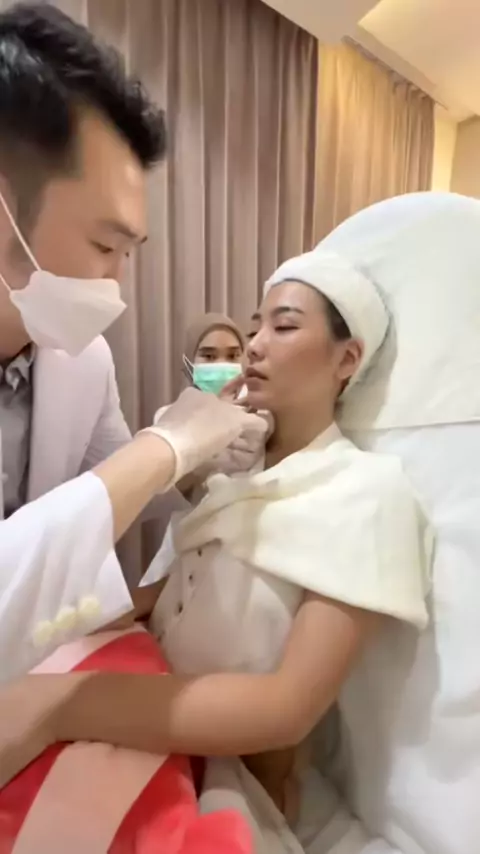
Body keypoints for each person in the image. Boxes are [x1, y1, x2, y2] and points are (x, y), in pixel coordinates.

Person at [0, 248, 430, 850]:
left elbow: (286, 709)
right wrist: (47, 646)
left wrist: (63, 705)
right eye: (255, 327)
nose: (254, 347)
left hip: (215, 762)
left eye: (283, 326)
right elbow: (164, 595)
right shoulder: (232, 479)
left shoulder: (366, 492)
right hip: (130, 707)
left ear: (347, 359)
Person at [0, 2, 265, 684]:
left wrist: (196, 468)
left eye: (129, 252)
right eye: (103, 244)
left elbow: (121, 486)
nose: (117, 283)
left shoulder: (82, 361)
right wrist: (168, 444)